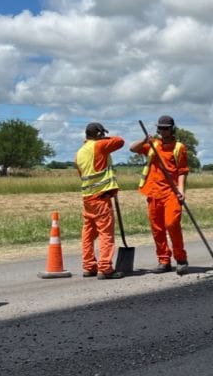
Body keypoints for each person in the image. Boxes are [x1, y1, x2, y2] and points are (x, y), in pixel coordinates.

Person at [130, 115, 190, 274]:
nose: (162, 131)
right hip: (153, 192)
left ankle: (181, 258)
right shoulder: (152, 144)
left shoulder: (179, 148)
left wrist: (181, 190)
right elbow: (133, 149)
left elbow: (183, 171)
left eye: (166, 128)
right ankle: (164, 260)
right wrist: (144, 141)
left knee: (172, 224)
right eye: (160, 128)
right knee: (157, 228)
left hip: (172, 192)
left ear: (172, 129)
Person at [75, 121, 126, 279]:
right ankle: (105, 268)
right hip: (100, 197)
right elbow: (120, 141)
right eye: (102, 134)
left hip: (87, 198)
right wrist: (104, 138)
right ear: (98, 135)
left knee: (88, 233)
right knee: (106, 233)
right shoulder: (98, 146)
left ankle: (89, 266)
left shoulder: (80, 152)